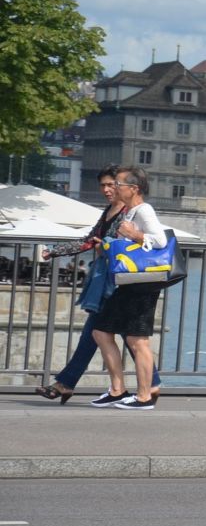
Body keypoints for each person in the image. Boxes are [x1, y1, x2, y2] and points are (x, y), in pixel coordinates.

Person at [35, 166, 161, 405]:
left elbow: (145, 240)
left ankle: (138, 389)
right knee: (109, 333)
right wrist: (54, 251)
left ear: (125, 187)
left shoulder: (133, 211)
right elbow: (90, 240)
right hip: (110, 279)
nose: (106, 189)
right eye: (102, 185)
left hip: (118, 281)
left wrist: (113, 242)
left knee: (112, 333)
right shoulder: (112, 209)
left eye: (112, 185)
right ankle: (145, 387)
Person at [91, 167, 168, 410]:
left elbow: (160, 240)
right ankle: (117, 390)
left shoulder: (144, 210)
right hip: (128, 282)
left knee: (138, 340)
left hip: (143, 284)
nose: (114, 188)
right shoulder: (130, 211)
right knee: (101, 331)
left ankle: (144, 396)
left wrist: (135, 234)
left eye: (119, 184)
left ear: (133, 189)